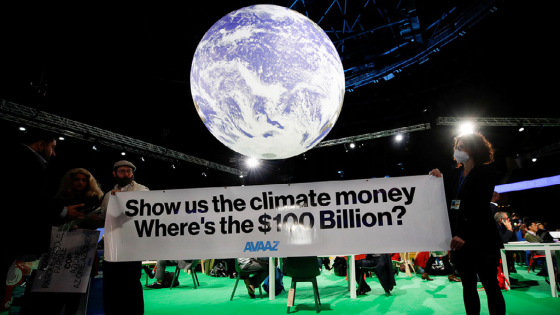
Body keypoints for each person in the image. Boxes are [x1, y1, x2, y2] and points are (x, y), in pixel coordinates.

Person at [0, 130, 85, 302]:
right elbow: (31, 198)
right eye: (52, 147)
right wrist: (63, 212)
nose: (54, 153)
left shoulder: (13, 157)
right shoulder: (27, 162)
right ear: (40, 144)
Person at [430, 132, 505, 315]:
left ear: (474, 149)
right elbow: (445, 201)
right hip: (458, 243)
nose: (457, 150)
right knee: (468, 286)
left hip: (481, 240)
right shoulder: (454, 175)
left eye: (462, 146)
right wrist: (435, 179)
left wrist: (464, 236)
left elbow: (478, 207)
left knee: (490, 285)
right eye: (456, 147)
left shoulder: (486, 172)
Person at [100, 160, 148, 314]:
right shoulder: (108, 195)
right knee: (112, 285)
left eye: (129, 171)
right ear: (114, 173)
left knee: (132, 284)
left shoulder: (142, 190)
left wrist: (123, 199)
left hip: (132, 246)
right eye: (122, 171)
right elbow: (104, 217)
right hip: (112, 247)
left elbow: (145, 210)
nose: (126, 174)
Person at [494, 212, 518, 282]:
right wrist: (509, 229)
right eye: (507, 218)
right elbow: (503, 240)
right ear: (501, 220)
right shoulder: (495, 227)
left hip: (502, 250)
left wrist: (510, 228)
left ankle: (506, 276)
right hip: (494, 251)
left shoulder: (503, 226)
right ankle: (502, 277)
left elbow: (513, 239)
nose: (509, 220)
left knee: (508, 255)